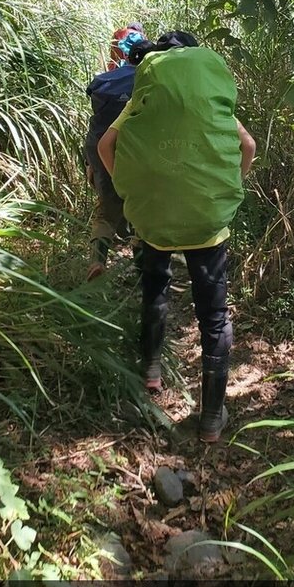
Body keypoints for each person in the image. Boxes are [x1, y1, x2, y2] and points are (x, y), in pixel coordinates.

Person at [97, 31, 256, 443]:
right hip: (207, 222)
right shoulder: (207, 93)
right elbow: (247, 145)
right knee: (213, 317)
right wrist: (226, 190)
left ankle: (151, 372)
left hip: (155, 219)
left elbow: (106, 144)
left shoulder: (145, 91)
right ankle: (211, 419)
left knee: (155, 288)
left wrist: (132, 189)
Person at [84, 23, 146, 280]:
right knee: (141, 208)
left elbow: (96, 122)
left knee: (105, 209)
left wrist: (90, 163)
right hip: (137, 151)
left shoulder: (102, 81)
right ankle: (143, 268)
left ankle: (98, 260)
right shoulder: (151, 81)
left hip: (100, 149)